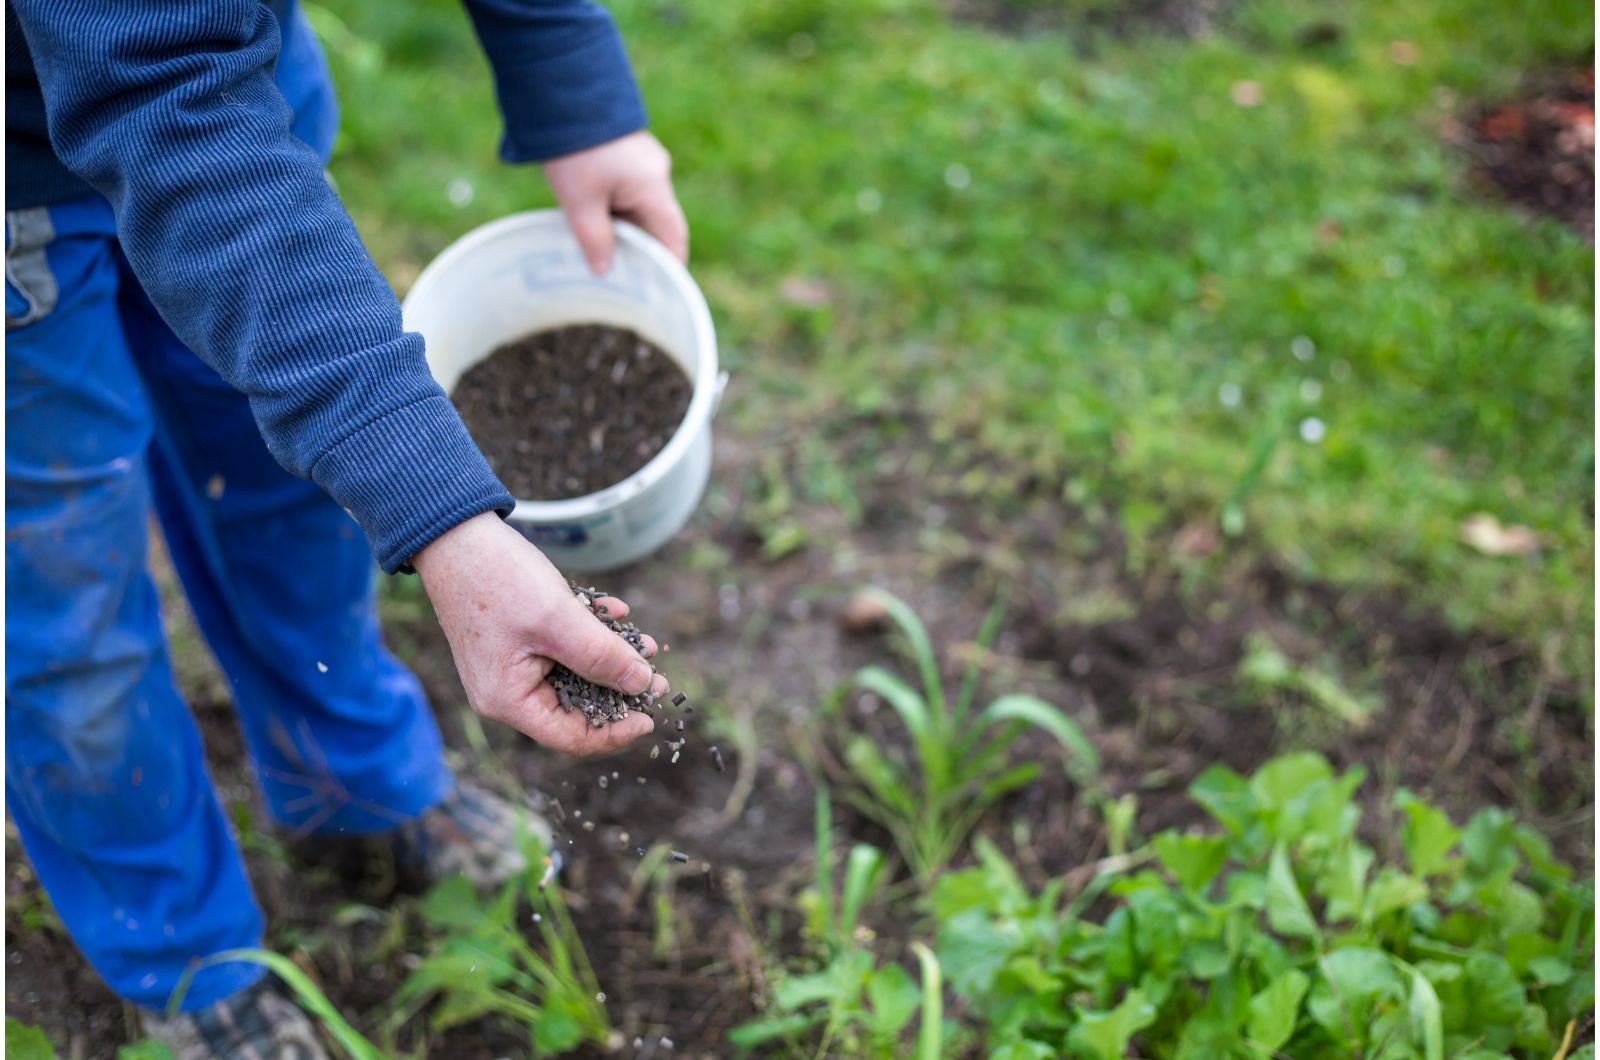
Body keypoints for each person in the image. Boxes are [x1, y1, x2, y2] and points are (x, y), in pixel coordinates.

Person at [5, 0, 686, 1055]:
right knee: (66, 599)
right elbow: (159, 89)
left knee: (288, 482)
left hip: (230, 75)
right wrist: (445, 518)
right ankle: (185, 960)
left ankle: (352, 784)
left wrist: (566, 74)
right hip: (38, 182)